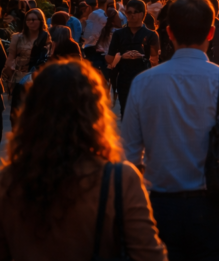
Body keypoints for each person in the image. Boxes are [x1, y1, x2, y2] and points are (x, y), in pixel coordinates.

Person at [122, 0, 219, 261]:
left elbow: (128, 157)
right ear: (211, 31)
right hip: (215, 206)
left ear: (169, 32)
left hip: (162, 208)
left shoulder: (144, 82)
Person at [0, 59, 167, 260]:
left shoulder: (7, 182)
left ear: (31, 111)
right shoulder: (119, 180)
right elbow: (149, 255)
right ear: (95, 112)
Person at [106, 0, 161, 118]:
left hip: (144, 80)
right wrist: (121, 56)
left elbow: (155, 61)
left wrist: (141, 56)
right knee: (126, 114)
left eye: (135, 12)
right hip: (124, 79)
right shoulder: (119, 34)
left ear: (142, 14)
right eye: (129, 12)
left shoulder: (151, 35)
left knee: (143, 115)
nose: (131, 15)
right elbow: (109, 59)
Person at [1, 7, 51, 123]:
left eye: (34, 20)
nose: (31, 22)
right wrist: (8, 78)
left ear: (40, 21)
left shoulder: (45, 38)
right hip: (19, 80)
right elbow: (10, 58)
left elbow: (47, 59)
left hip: (37, 80)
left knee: (34, 114)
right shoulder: (17, 37)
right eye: (28, 20)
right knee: (16, 115)